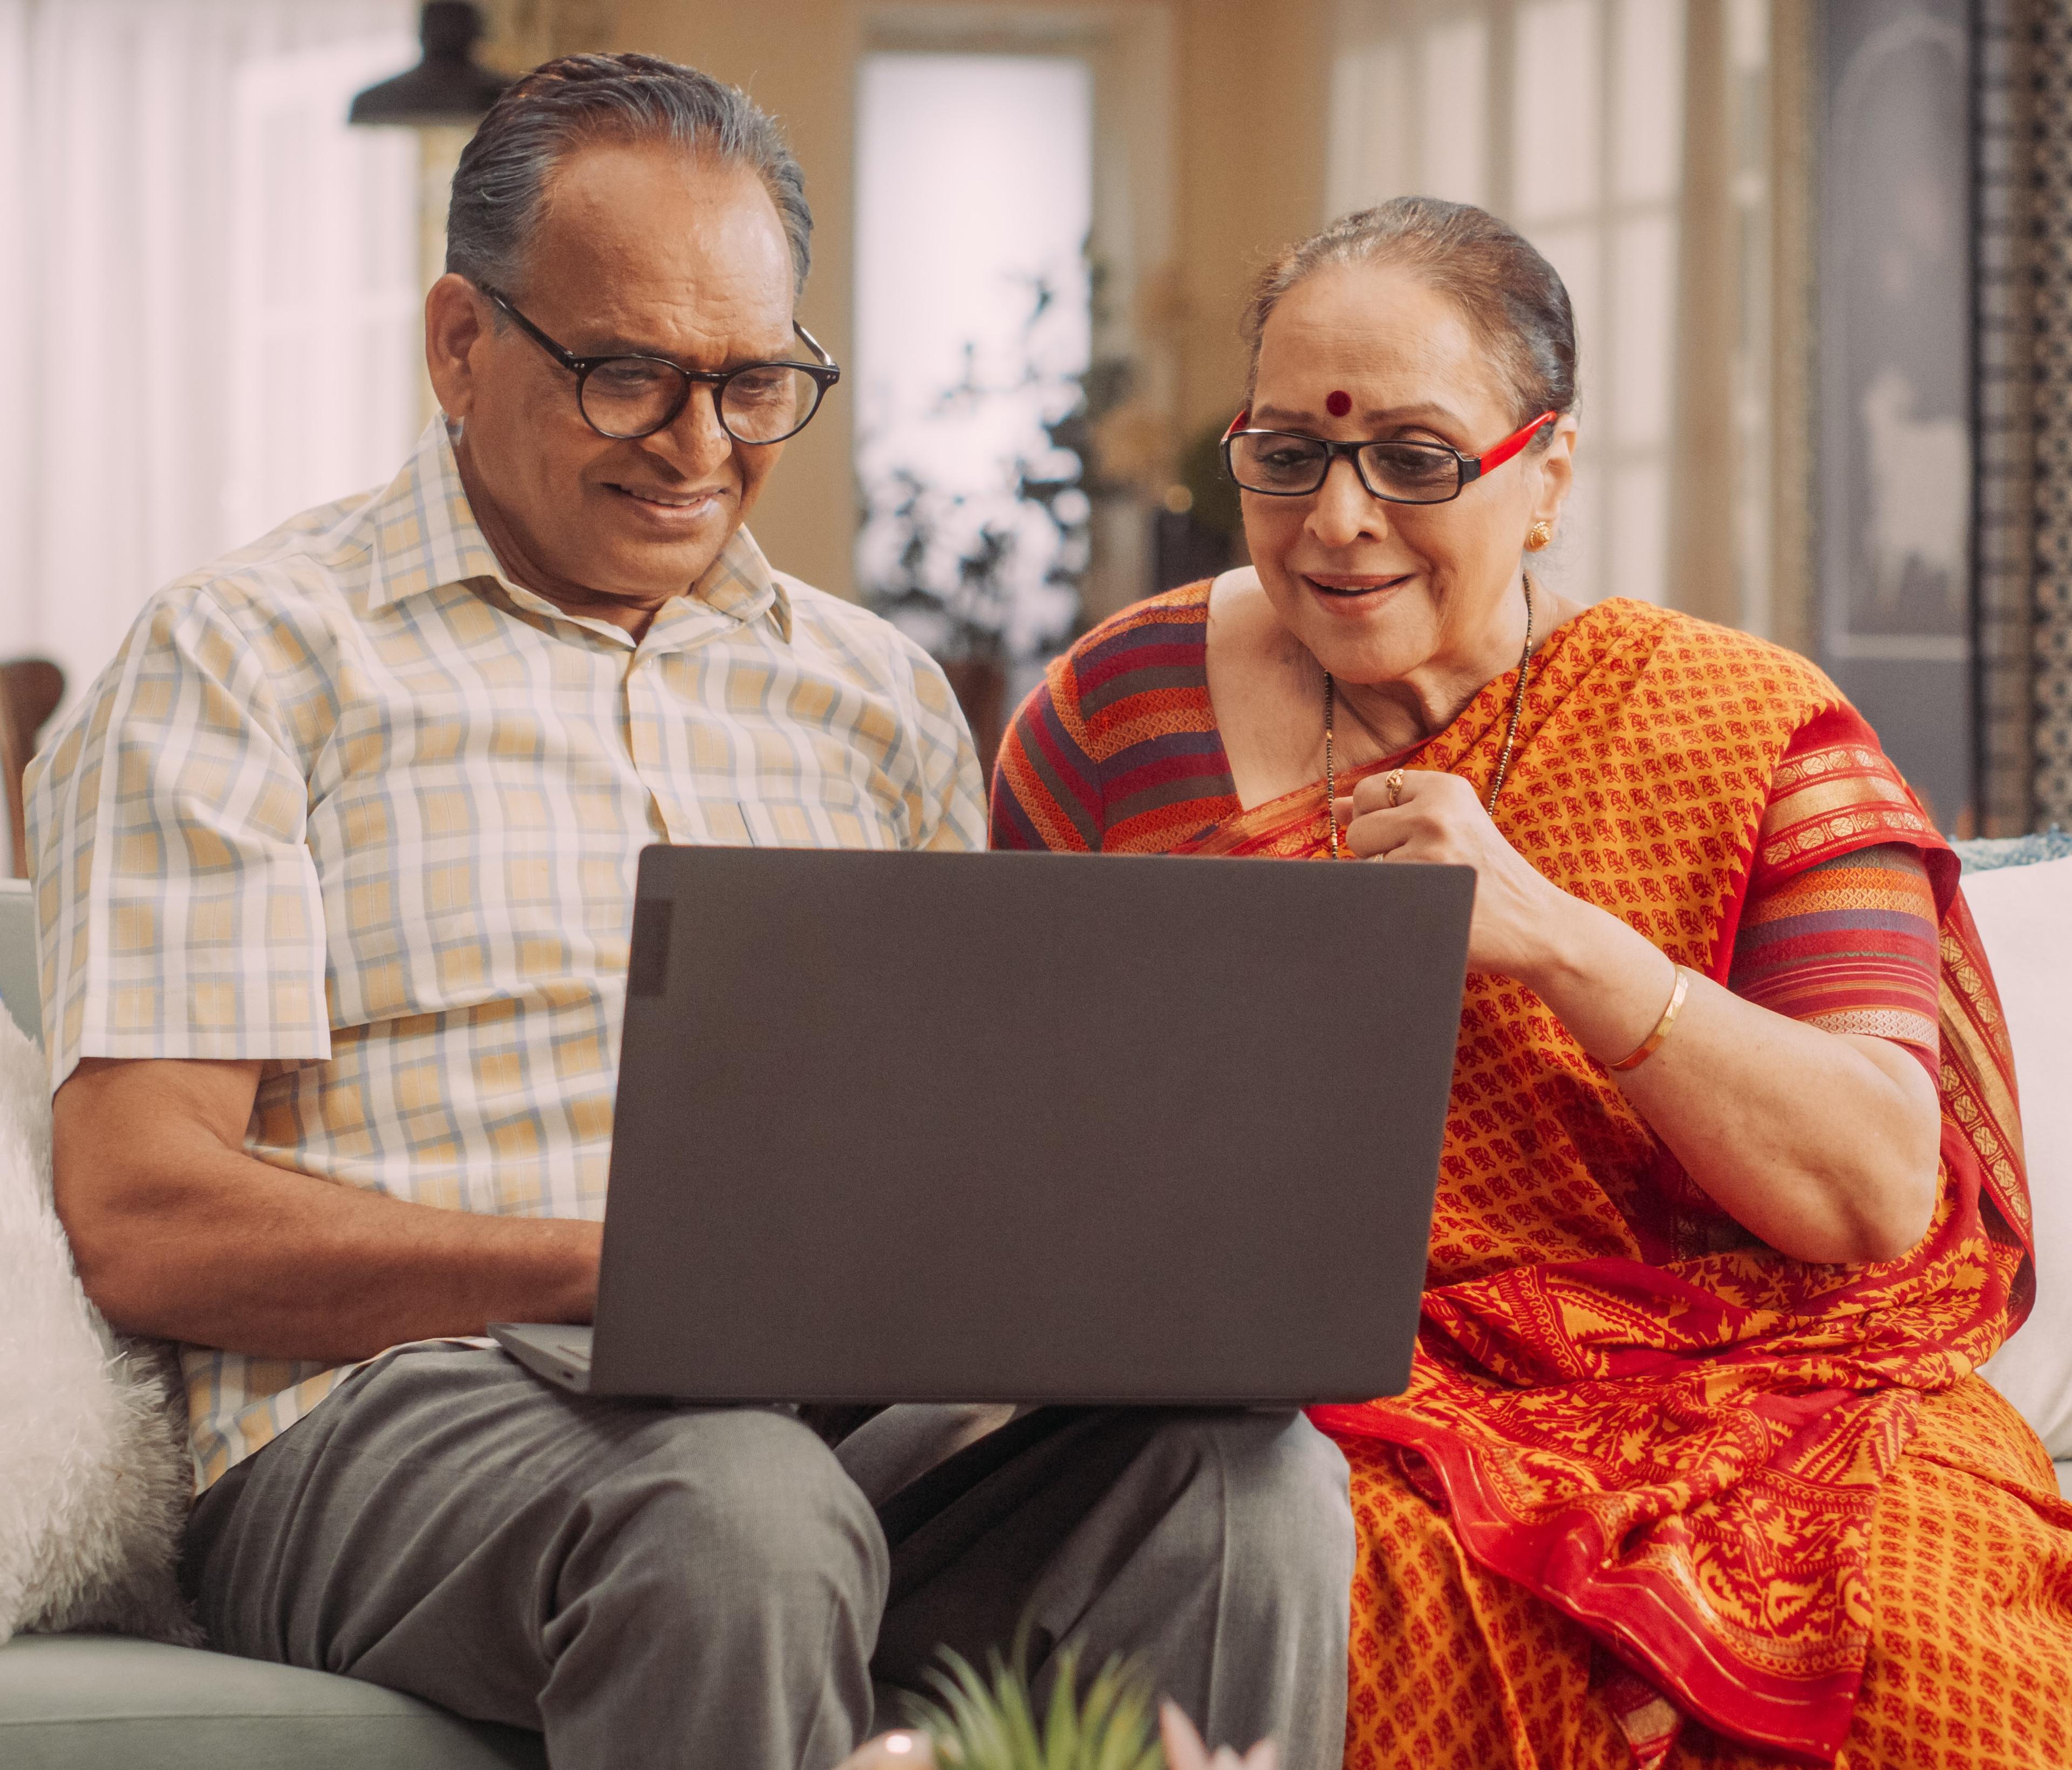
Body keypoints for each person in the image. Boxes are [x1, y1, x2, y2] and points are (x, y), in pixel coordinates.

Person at [29, 54, 1352, 1770]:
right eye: (631, 374)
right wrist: (626, 1277)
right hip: (377, 1427)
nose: (701, 447)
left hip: (811, 1430)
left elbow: (933, 1162)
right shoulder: (245, 658)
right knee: (736, 1501)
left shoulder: (874, 697)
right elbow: (146, 1214)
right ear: (460, 341)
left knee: (1249, 1484)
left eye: (752, 384)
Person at [992, 195, 2072, 1769]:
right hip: (1326, 1421)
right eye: (1288, 456)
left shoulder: (1740, 727)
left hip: (1782, 1406)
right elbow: (1002, 1152)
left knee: (1944, 1663)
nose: (1339, 521)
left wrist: (1553, 933)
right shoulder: (1110, 720)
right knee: (1355, 1595)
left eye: (1415, 460)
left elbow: (1874, 1190)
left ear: (1548, 474)